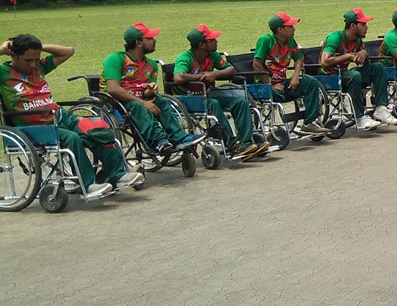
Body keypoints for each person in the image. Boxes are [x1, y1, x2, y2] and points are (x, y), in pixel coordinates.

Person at [1, 35, 143, 197]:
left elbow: (68, 52)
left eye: (36, 58)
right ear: (13, 55)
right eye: (28, 60)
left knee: (98, 128)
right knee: (72, 138)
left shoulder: (39, 66)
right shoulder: (3, 73)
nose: (33, 64)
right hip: (35, 127)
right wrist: (2, 49)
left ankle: (119, 175)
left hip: (60, 116)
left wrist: (40, 47)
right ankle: (88, 185)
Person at [103, 23, 205, 153]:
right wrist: (143, 102)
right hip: (116, 103)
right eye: (150, 38)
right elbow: (113, 89)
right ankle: (158, 141)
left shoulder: (151, 65)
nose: (155, 41)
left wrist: (150, 90)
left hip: (140, 100)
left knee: (161, 101)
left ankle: (179, 138)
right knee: (137, 106)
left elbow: (145, 92)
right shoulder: (116, 59)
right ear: (139, 42)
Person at [172, 25, 268, 160]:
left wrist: (215, 73)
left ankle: (245, 142)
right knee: (214, 103)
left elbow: (231, 70)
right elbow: (179, 77)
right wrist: (201, 77)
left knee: (240, 101)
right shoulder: (185, 57)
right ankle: (231, 143)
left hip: (209, 94)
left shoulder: (212, 55)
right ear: (202, 44)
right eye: (212, 40)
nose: (216, 41)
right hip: (189, 98)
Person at [252, 11, 327, 136]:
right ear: (280, 29)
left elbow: (299, 57)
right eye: (290, 26)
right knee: (276, 90)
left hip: (283, 83)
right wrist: (270, 86)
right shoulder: (266, 40)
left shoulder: (290, 41)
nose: (294, 29)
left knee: (311, 83)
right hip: (265, 87)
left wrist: (295, 76)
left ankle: (309, 123)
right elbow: (256, 64)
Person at [320, 8, 395, 131]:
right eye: (363, 24)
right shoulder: (335, 37)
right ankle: (360, 118)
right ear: (353, 25)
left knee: (378, 67)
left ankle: (381, 108)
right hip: (329, 77)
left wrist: (364, 52)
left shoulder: (358, 40)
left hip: (344, 74)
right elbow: (324, 61)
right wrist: (348, 56)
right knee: (354, 75)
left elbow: (362, 60)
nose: (366, 27)